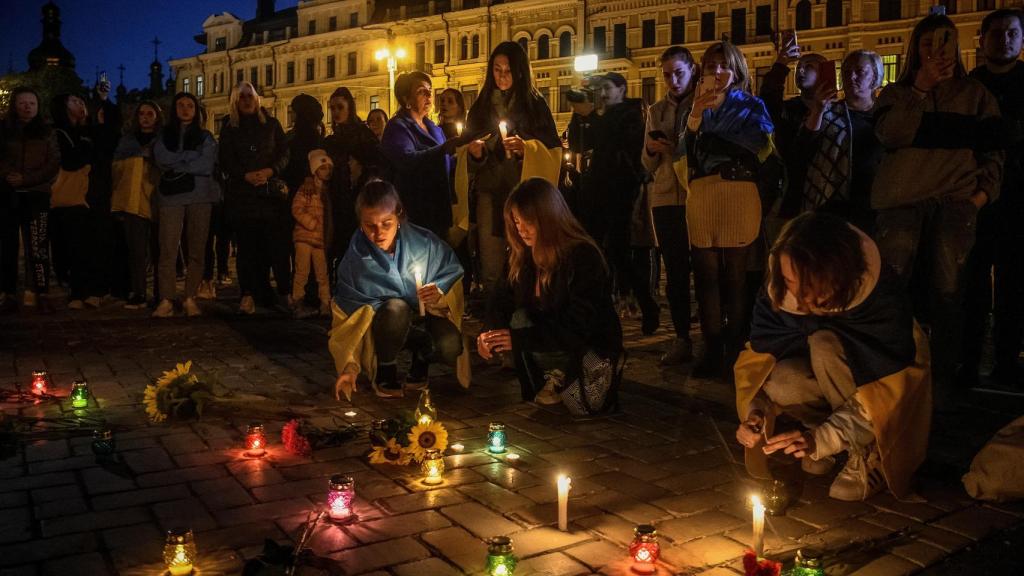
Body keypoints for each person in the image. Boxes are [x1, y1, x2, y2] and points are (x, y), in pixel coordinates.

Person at [734, 212, 931, 502]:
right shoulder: (778, 290)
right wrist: (757, 412)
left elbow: (887, 388)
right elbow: (760, 360)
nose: (797, 296)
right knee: (786, 379)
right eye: (789, 280)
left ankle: (867, 450)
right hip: (826, 383)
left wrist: (822, 440)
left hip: (870, 392)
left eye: (810, 286)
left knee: (824, 343)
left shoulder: (881, 303)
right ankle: (823, 438)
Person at [871, 14, 1002, 392]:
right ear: (915, 48)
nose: (935, 51)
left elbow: (994, 150)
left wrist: (980, 198)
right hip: (900, 203)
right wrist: (920, 88)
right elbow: (890, 134)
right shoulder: (896, 94)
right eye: (927, 43)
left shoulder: (975, 94)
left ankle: (942, 382)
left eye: (943, 42)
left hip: (955, 203)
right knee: (891, 289)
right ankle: (890, 376)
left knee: (949, 294)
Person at [480, 178, 622, 406]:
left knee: (582, 402)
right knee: (519, 318)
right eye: (516, 221)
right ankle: (551, 377)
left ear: (548, 218)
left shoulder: (582, 256)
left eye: (528, 221)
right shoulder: (522, 255)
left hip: (585, 345)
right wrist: (489, 333)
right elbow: (501, 299)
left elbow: (580, 325)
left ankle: (567, 376)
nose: (521, 229)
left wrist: (519, 339)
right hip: (549, 341)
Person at [329, 179, 468, 399]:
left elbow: (452, 275)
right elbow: (347, 320)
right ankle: (386, 368)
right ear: (360, 222)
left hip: (426, 319)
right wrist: (349, 367)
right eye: (370, 226)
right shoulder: (355, 261)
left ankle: (421, 359)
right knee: (396, 309)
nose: (379, 233)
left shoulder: (424, 243)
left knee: (450, 344)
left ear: (399, 214)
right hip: (385, 326)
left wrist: (440, 294)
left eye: (386, 223)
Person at [684, 41, 774, 379]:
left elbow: (762, 144)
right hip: (703, 192)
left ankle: (735, 349)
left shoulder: (752, 104)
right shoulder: (696, 106)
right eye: (711, 66)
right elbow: (683, 151)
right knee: (706, 277)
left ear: (737, 71)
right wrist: (695, 115)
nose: (717, 72)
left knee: (736, 278)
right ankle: (711, 347)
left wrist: (721, 143)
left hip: (739, 190)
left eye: (724, 65)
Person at [460, 41, 562, 300]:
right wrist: (476, 153)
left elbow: (552, 148)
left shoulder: (535, 105)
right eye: (497, 69)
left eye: (508, 70)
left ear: (519, 71)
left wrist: (528, 149)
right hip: (490, 191)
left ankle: (526, 309)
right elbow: (466, 151)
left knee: (527, 255)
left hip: (524, 193)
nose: (502, 76)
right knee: (491, 257)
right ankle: (494, 310)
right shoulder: (481, 106)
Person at [961, 8, 1024, 389]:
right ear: (982, 40)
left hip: (1019, 201)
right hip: (974, 200)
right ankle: (968, 362)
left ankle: (1006, 362)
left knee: (1014, 285)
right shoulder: (969, 87)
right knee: (972, 284)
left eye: (1012, 33)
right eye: (997, 33)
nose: (1004, 39)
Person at [570, 71, 658, 334]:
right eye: (601, 89)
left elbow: (617, 141)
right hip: (596, 189)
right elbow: (577, 144)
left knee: (620, 253)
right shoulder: (600, 116)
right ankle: (599, 309)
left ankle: (646, 304)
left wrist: (591, 116)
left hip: (621, 189)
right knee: (595, 251)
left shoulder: (632, 114)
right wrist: (578, 114)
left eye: (608, 88)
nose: (603, 94)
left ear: (621, 89)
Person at [643, 46, 699, 363]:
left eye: (679, 73)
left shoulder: (702, 104)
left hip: (697, 195)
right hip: (665, 197)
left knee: (704, 268)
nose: (673, 81)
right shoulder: (656, 110)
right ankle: (681, 337)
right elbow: (646, 163)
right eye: (667, 75)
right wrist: (652, 149)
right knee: (675, 271)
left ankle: (712, 333)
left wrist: (676, 149)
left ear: (693, 69)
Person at [218, 82, 291, 315]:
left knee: (273, 246)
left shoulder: (272, 124)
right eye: (242, 97)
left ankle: (279, 293)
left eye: (250, 96)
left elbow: (284, 153)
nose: (247, 100)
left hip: (269, 195)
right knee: (247, 248)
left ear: (257, 99)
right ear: (235, 101)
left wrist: (270, 171)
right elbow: (225, 158)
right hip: (243, 196)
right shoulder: (229, 128)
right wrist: (244, 175)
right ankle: (247, 294)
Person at [796, 50, 885, 233]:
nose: (851, 77)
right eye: (846, 72)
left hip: (877, 208)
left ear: (875, 77)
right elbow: (801, 150)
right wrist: (818, 110)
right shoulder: (827, 112)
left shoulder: (887, 115)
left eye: (860, 71)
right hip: (833, 208)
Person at [152, 93, 218, 318]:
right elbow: (161, 158)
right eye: (180, 105)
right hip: (170, 196)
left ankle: (190, 296)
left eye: (190, 105)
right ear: (174, 109)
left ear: (196, 110)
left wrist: (178, 162)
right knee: (168, 249)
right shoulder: (163, 135)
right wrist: (190, 158)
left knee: (197, 249)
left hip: (200, 196)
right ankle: (167, 298)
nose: (185, 109)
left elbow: (206, 164)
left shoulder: (206, 136)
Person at [0, 87, 59, 314]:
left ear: (38, 106)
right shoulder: (5, 130)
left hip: (36, 194)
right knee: (7, 245)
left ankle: (40, 292)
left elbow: (52, 163)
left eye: (32, 103)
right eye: (22, 103)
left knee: (38, 245)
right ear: (15, 105)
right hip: (8, 193)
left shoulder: (47, 132)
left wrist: (27, 179)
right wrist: (9, 175)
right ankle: (8, 292)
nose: (27, 107)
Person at [381, 71, 457, 238]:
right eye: (421, 91)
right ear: (406, 99)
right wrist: (443, 149)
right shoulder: (398, 127)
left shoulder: (435, 129)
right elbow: (406, 160)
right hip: (414, 212)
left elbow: (447, 163)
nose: (429, 95)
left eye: (430, 90)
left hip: (439, 211)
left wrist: (469, 154)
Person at [49, 93, 107, 310]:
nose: (81, 104)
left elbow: (100, 157)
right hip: (69, 196)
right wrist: (85, 147)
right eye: (74, 101)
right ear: (63, 107)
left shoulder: (90, 131)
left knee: (94, 244)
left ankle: (94, 290)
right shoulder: (59, 132)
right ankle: (77, 291)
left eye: (82, 102)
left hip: (92, 194)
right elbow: (70, 160)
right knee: (72, 245)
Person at [760, 40, 827, 218]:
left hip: (826, 197)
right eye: (799, 67)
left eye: (809, 66)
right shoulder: (788, 110)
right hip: (792, 196)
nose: (800, 71)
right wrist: (781, 64)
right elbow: (768, 101)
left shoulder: (836, 112)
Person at [324, 87, 386, 264]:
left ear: (349, 107)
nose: (336, 112)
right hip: (338, 198)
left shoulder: (362, 134)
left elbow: (376, 163)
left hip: (358, 198)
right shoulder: (334, 138)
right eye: (332, 108)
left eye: (340, 107)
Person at [110, 101, 162, 309]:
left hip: (158, 199)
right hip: (132, 200)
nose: (146, 117)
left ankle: (161, 293)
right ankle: (138, 291)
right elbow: (116, 168)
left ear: (157, 117)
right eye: (142, 113)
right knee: (137, 251)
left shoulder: (163, 140)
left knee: (160, 251)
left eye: (150, 113)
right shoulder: (127, 141)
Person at [292, 150, 333, 317]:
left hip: (319, 239)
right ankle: (297, 303)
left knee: (322, 273)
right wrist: (311, 223)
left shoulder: (327, 190)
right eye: (323, 168)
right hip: (305, 237)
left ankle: (325, 303)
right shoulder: (307, 189)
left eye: (329, 168)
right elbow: (296, 208)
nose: (327, 171)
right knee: (302, 272)